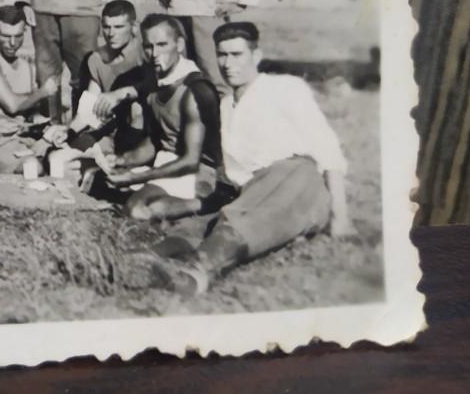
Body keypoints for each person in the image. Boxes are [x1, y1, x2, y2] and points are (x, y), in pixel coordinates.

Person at [142, 21, 353, 295]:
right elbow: (232, 180)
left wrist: (341, 217)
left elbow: (327, 149)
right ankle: (145, 261)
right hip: (253, 196)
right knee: (203, 224)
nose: (228, 63)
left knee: (252, 208)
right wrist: (185, 205)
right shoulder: (226, 106)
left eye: (237, 55)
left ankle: (197, 272)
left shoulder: (285, 88)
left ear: (256, 56)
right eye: (222, 55)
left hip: (300, 183)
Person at [100, 14, 230, 222]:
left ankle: (211, 203)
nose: (154, 54)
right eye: (149, 47)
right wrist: (123, 160)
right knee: (101, 181)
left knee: (137, 209)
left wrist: (136, 176)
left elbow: (191, 160)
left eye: (162, 45)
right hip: (168, 165)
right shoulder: (157, 84)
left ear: (179, 44)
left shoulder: (195, 90)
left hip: (197, 173)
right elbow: (156, 141)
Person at [0, 5, 63, 173]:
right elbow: (12, 105)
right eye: (6, 36)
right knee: (33, 167)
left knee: (63, 160)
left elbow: (32, 112)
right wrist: (43, 91)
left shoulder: (26, 66)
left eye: (18, 36)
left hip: (23, 138)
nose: (12, 43)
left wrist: (51, 129)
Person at [66, 0, 144, 139]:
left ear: (134, 27)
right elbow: (88, 109)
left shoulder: (146, 53)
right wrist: (68, 133)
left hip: (146, 126)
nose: (111, 33)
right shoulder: (96, 59)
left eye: (119, 27)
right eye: (107, 27)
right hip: (112, 128)